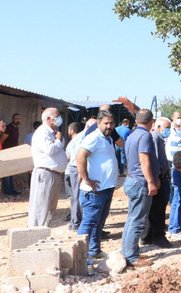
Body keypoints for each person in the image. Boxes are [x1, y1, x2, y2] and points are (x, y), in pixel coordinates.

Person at [76, 110, 118, 261]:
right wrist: (86, 178)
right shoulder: (93, 138)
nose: (109, 126)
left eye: (111, 123)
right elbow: (80, 156)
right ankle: (79, 257)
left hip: (106, 188)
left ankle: (94, 251)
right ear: (98, 123)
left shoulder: (108, 139)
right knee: (88, 223)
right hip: (94, 190)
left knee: (99, 223)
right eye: (105, 123)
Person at [121, 109, 158, 268]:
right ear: (151, 122)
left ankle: (128, 251)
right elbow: (144, 160)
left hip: (131, 180)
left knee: (131, 218)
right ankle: (131, 257)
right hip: (139, 182)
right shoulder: (145, 136)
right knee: (137, 220)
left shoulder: (132, 135)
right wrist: (150, 181)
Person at [28, 108, 68, 227]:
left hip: (55, 174)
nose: (59, 118)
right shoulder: (42, 132)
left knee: (50, 208)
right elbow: (50, 149)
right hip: (45, 173)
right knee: (40, 207)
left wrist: (59, 138)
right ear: (48, 119)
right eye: (57, 116)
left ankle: (44, 231)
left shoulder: (53, 132)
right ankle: (35, 233)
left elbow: (60, 147)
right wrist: (59, 139)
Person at [143, 117, 172, 248]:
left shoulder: (159, 138)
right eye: (167, 128)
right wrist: (157, 178)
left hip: (161, 176)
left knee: (155, 208)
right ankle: (157, 236)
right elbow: (153, 160)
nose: (169, 130)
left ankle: (148, 236)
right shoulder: (155, 137)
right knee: (158, 209)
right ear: (159, 127)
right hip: (158, 178)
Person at [63, 123, 82, 229]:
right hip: (73, 171)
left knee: (73, 197)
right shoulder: (78, 141)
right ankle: (75, 218)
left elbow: (68, 157)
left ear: (71, 130)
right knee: (75, 196)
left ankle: (74, 220)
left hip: (70, 171)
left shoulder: (73, 143)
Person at [2, 113, 22, 195]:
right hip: (7, 153)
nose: (17, 120)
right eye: (16, 118)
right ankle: (8, 191)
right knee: (7, 173)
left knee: (11, 172)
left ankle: (11, 190)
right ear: (12, 119)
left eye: (19, 118)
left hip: (13, 153)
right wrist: (3, 151)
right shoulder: (9, 128)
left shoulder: (16, 128)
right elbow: (2, 139)